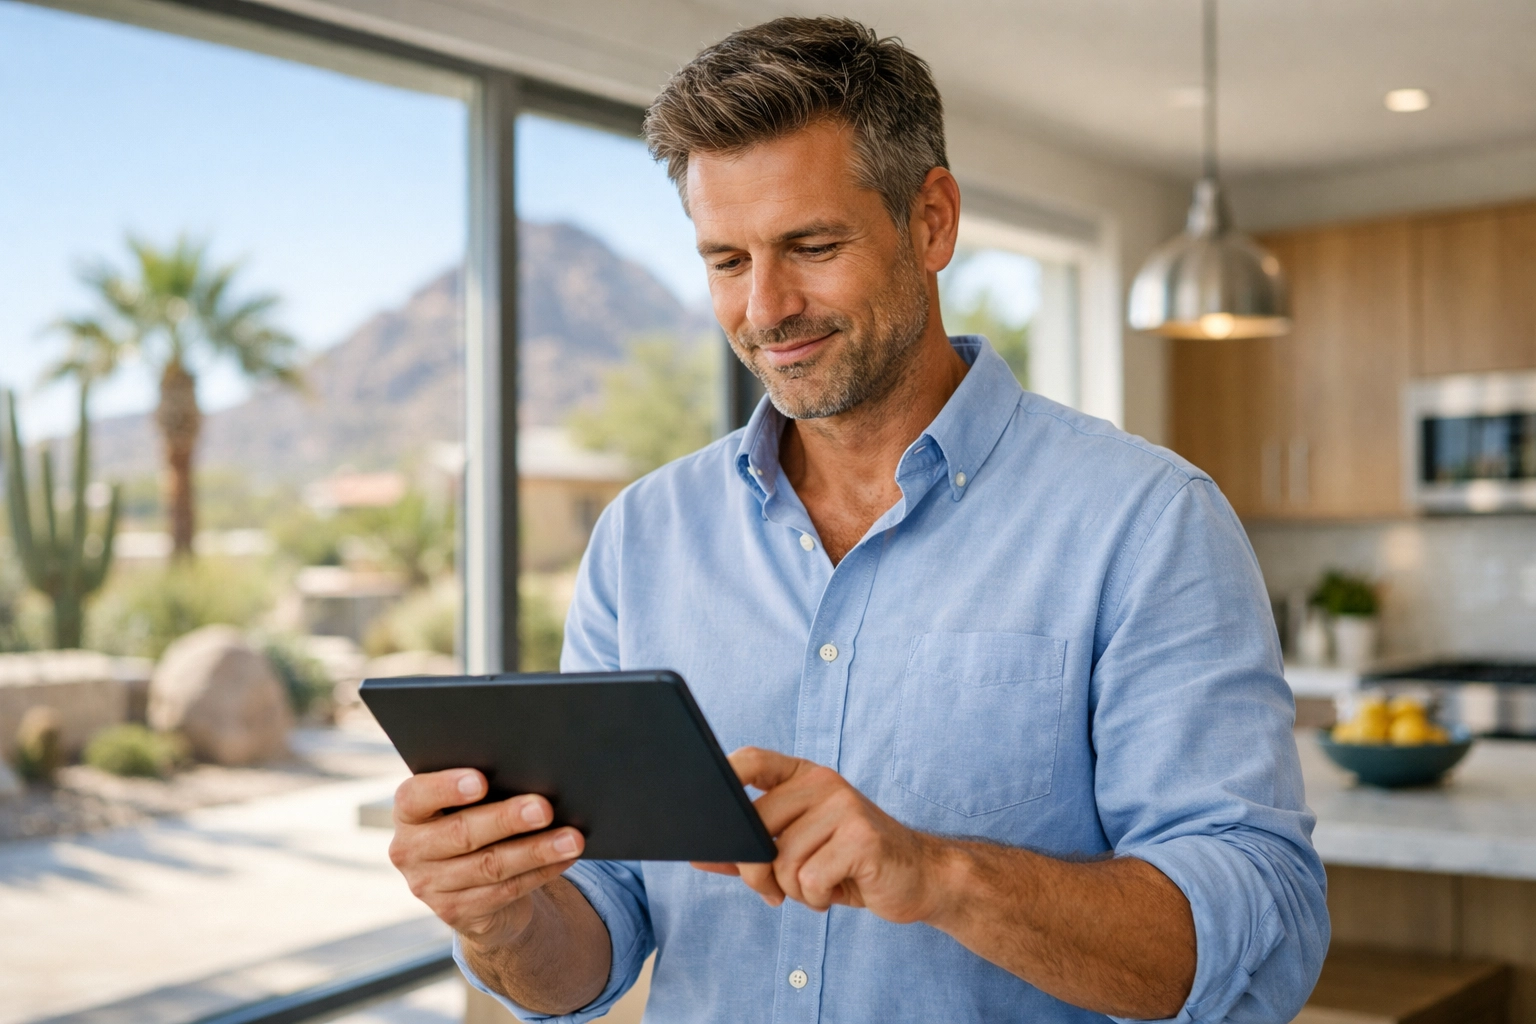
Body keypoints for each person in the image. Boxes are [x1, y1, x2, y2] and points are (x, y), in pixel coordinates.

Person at [387, 16, 1328, 1023]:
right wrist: (502, 917)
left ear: (932, 221)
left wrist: (940, 874)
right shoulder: (644, 535)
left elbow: (1263, 932)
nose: (767, 308)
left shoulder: (1148, 522)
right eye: (727, 261)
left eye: (812, 245)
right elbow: (595, 944)